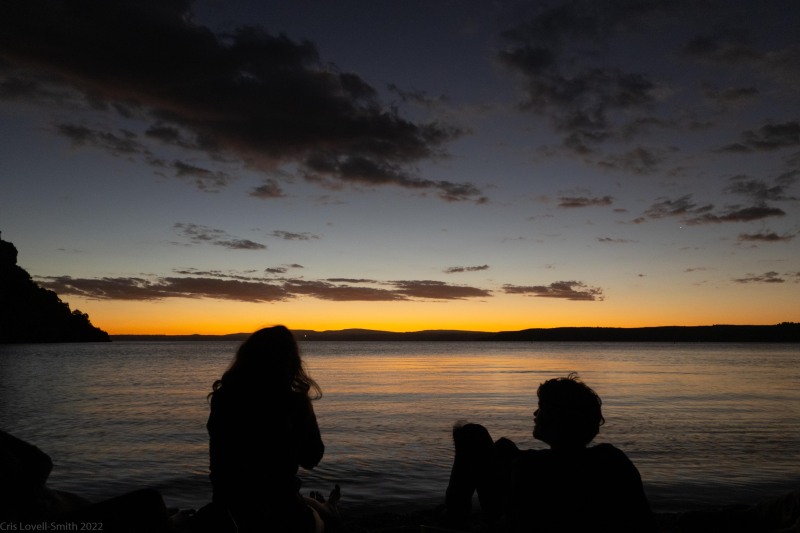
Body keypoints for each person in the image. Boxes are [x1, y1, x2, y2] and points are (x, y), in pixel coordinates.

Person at [444, 373, 654, 532]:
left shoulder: (530, 468)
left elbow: (514, 523)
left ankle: (453, 520)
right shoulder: (613, 458)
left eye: (541, 407)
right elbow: (642, 519)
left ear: (557, 418)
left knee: (472, 434)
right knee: (504, 446)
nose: (535, 413)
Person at [206, 325, 337, 533]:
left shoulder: (223, 399)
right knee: (322, 520)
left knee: (304, 503)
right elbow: (311, 458)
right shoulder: (293, 403)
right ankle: (328, 509)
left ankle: (323, 506)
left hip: (229, 509)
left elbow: (220, 462)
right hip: (281, 512)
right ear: (290, 362)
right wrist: (305, 412)